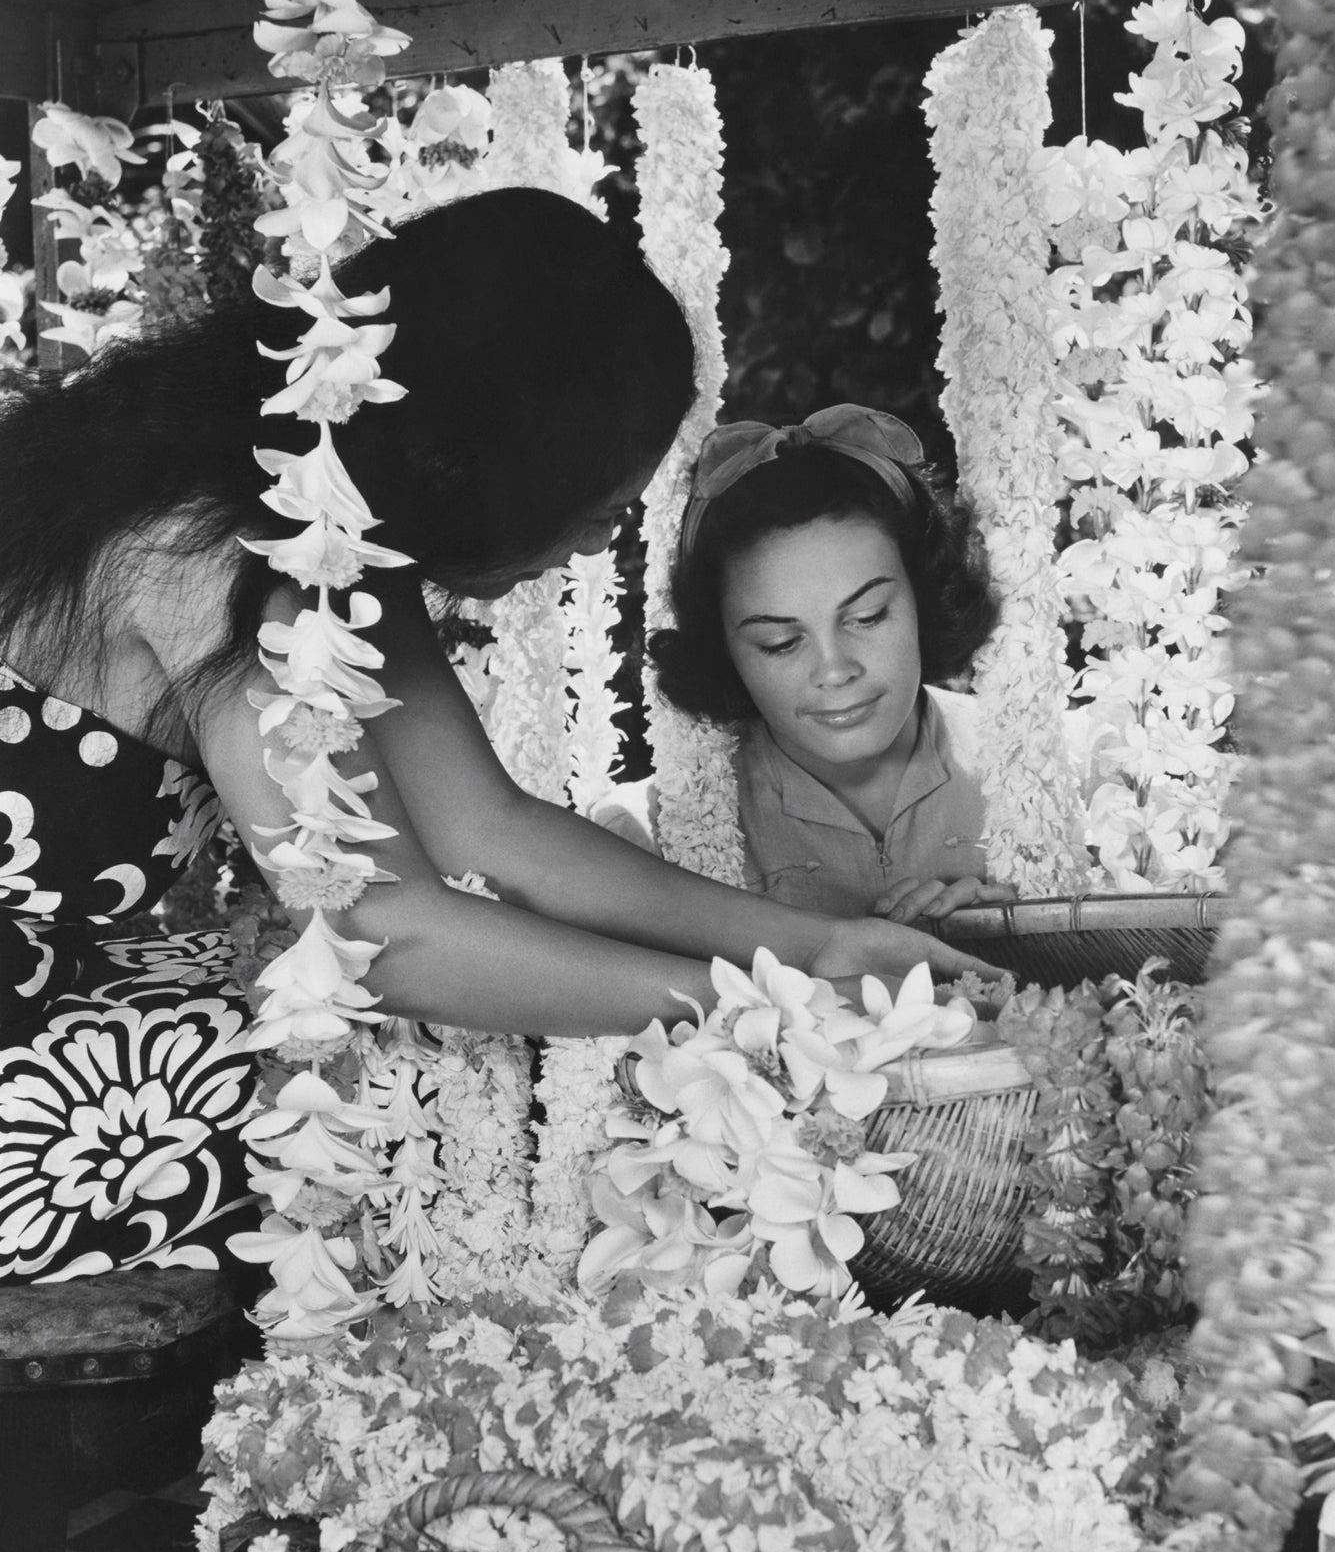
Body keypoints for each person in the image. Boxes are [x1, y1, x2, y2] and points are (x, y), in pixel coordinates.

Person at [0, 192, 991, 1283]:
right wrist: (770, 1005)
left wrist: (818, 951)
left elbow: (493, 830)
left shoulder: (332, 508)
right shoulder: (206, 547)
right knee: (323, 1145)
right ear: (475, 467)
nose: (599, 541)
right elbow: (393, 939)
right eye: (594, 507)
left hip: (78, 995)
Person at [636, 404, 1016, 925]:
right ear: (722, 650)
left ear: (925, 597)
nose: (835, 670)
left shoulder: (1044, 769)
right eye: (780, 643)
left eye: (867, 616)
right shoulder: (651, 837)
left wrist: (1034, 929)